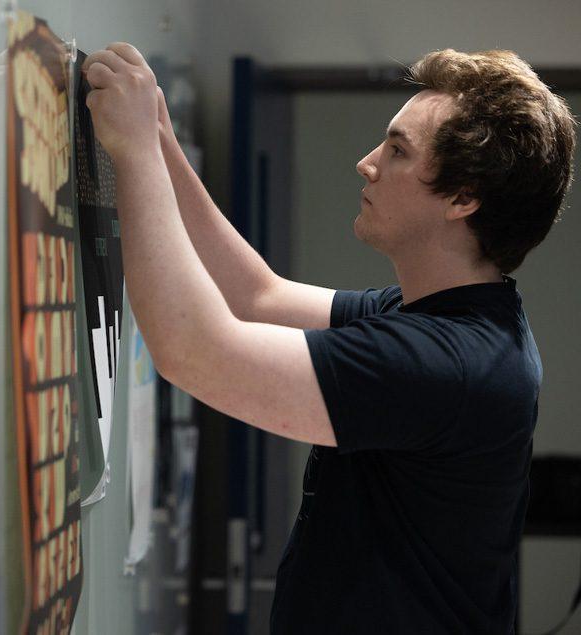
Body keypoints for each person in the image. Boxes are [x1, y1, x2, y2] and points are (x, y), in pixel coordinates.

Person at [82, 44, 576, 633]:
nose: (366, 163)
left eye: (397, 151)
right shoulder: (443, 318)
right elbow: (255, 297)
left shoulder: (449, 362)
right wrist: (160, 140)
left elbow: (194, 352)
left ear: (463, 198)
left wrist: (132, 153)